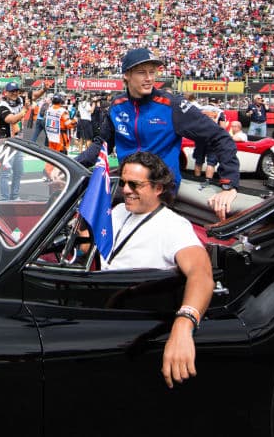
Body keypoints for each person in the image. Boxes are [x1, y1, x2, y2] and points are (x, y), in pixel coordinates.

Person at [76, 48, 240, 220]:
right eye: (142, 73)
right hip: (128, 184)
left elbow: (220, 137)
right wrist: (73, 166)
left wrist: (229, 185)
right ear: (127, 75)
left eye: (152, 72)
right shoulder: (117, 105)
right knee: (82, 213)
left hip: (160, 189)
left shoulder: (172, 105)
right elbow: (101, 145)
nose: (149, 78)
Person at [104, 151, 213, 388]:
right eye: (123, 182)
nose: (126, 190)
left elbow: (202, 273)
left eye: (135, 184)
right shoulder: (120, 210)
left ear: (158, 188)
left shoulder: (173, 226)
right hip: (101, 305)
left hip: (133, 317)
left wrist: (184, 324)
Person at [0, 82, 31, 200]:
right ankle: (5, 200)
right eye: (12, 91)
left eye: (17, 91)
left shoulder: (20, 100)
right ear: (6, 92)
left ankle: (14, 197)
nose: (15, 93)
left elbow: (34, 95)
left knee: (19, 171)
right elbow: (11, 119)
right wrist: (24, 110)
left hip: (18, 143)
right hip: (6, 143)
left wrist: (44, 89)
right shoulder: (2, 106)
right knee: (6, 172)